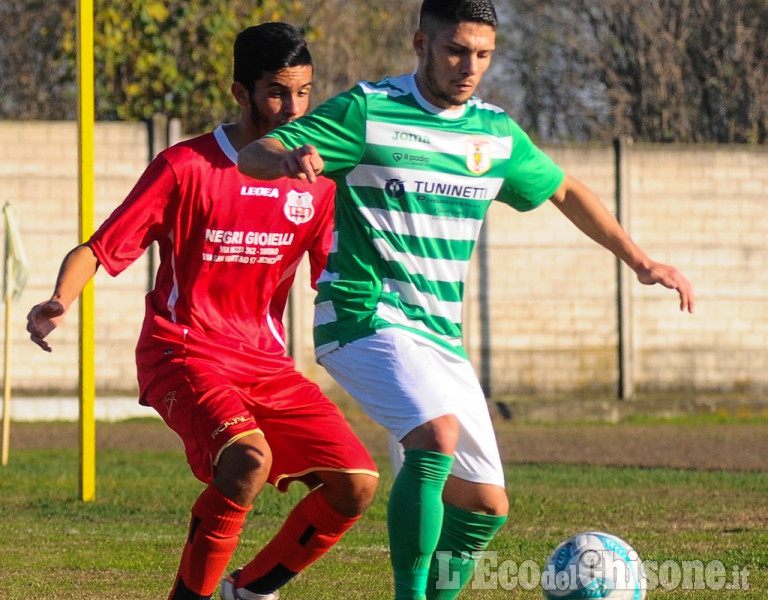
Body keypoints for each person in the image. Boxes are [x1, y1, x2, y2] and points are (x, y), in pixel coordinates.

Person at [236, 2, 696, 600]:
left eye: (482, 54)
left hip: (437, 337)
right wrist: (291, 156)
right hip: (361, 315)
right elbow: (253, 154)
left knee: (485, 506)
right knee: (435, 436)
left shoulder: (493, 133)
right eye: (456, 50)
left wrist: (641, 261)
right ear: (421, 44)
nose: (468, 66)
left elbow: (564, 189)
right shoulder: (369, 110)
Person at [26, 23, 379, 600]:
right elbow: (98, 248)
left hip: (265, 362)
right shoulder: (185, 167)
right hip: (181, 349)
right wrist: (59, 300)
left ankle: (253, 590)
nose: (293, 108)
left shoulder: (319, 184)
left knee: (357, 484)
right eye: (276, 92)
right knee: (248, 459)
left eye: (304, 92)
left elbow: (335, 280)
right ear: (241, 93)